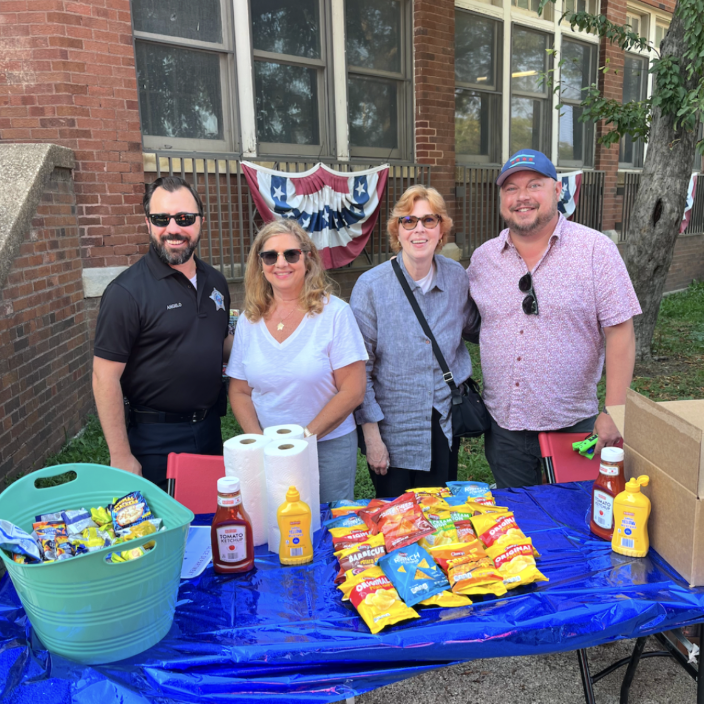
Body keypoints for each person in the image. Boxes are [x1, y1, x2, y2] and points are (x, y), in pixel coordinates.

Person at [467, 149, 642, 488]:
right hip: (504, 427)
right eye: (511, 188)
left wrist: (614, 411)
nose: (522, 197)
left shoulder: (595, 250)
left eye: (534, 185)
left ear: (558, 190)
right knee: (518, 515)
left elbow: (620, 331)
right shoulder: (483, 259)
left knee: (577, 514)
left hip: (574, 427)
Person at [92, 176, 232, 490]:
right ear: (148, 223)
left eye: (184, 218)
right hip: (155, 441)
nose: (173, 229)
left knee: (211, 514)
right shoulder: (125, 293)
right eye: (161, 219)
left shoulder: (216, 281)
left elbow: (221, 341)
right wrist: (121, 455)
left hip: (210, 429)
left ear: (200, 221)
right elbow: (104, 378)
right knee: (165, 521)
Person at [349, 185, 480, 498]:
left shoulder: (456, 278)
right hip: (392, 427)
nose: (419, 229)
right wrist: (372, 437)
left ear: (441, 229)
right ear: (397, 230)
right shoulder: (371, 287)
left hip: (443, 420)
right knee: (396, 517)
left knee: (439, 515)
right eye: (409, 221)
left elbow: (475, 326)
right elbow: (359, 369)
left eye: (429, 220)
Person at [226, 219, 367, 503]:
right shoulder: (250, 320)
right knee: (273, 521)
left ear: (307, 258)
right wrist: (259, 442)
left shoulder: (335, 314)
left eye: (291, 254)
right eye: (270, 256)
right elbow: (239, 390)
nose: (281, 263)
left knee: (329, 522)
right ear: (260, 264)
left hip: (327, 447)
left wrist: (302, 439)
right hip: (268, 449)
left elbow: (353, 390)